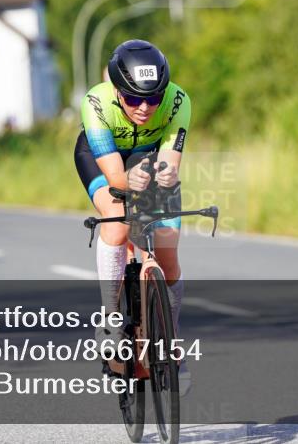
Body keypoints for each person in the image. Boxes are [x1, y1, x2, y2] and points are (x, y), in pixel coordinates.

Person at [75, 39, 191, 393]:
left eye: (153, 98)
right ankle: (111, 318)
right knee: (117, 218)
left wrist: (166, 174)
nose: (144, 107)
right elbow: (116, 178)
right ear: (116, 90)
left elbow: (170, 161)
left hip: (148, 159)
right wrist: (130, 182)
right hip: (103, 159)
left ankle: (170, 342)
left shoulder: (177, 101)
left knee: (168, 255)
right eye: (134, 98)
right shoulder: (96, 103)